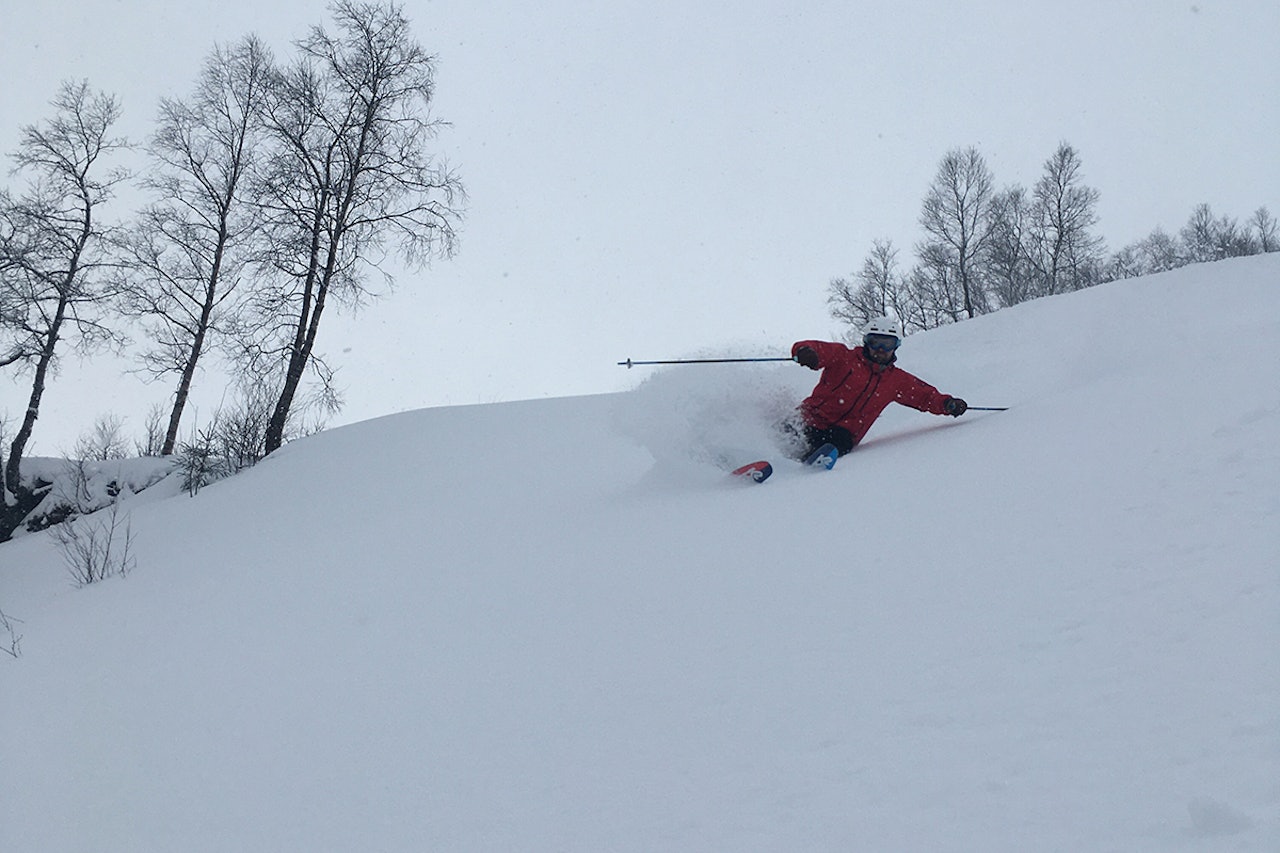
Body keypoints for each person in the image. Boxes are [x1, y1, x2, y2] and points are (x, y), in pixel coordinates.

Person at [788, 316, 967, 461]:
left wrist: (947, 404)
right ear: (866, 342)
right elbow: (818, 349)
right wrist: (806, 353)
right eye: (875, 342)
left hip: (842, 435)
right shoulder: (844, 358)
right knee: (788, 431)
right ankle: (768, 456)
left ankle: (804, 468)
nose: (881, 349)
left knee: (838, 439)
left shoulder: (895, 380)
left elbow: (924, 396)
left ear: (895, 346)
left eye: (887, 344)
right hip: (809, 419)